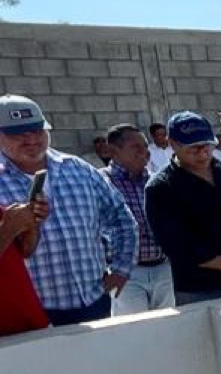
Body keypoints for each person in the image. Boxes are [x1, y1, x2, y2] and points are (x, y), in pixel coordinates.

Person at [0, 94, 137, 326]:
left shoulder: (78, 169)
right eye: (18, 134)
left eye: (37, 131)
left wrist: (122, 269)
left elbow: (121, 217)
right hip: (34, 315)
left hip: (94, 303)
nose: (31, 140)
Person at [144, 112, 221, 306]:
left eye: (207, 146)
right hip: (200, 289)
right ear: (173, 144)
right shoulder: (162, 188)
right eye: (193, 148)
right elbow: (177, 245)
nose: (203, 154)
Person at [102, 123, 176, 314]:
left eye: (145, 146)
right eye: (136, 147)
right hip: (126, 274)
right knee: (135, 333)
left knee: (168, 329)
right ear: (113, 151)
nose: (145, 152)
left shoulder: (157, 181)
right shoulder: (100, 183)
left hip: (163, 269)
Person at [0, 194, 48, 336]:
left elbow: (24, 251)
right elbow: (6, 234)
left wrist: (31, 228)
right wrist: (8, 230)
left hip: (31, 327)